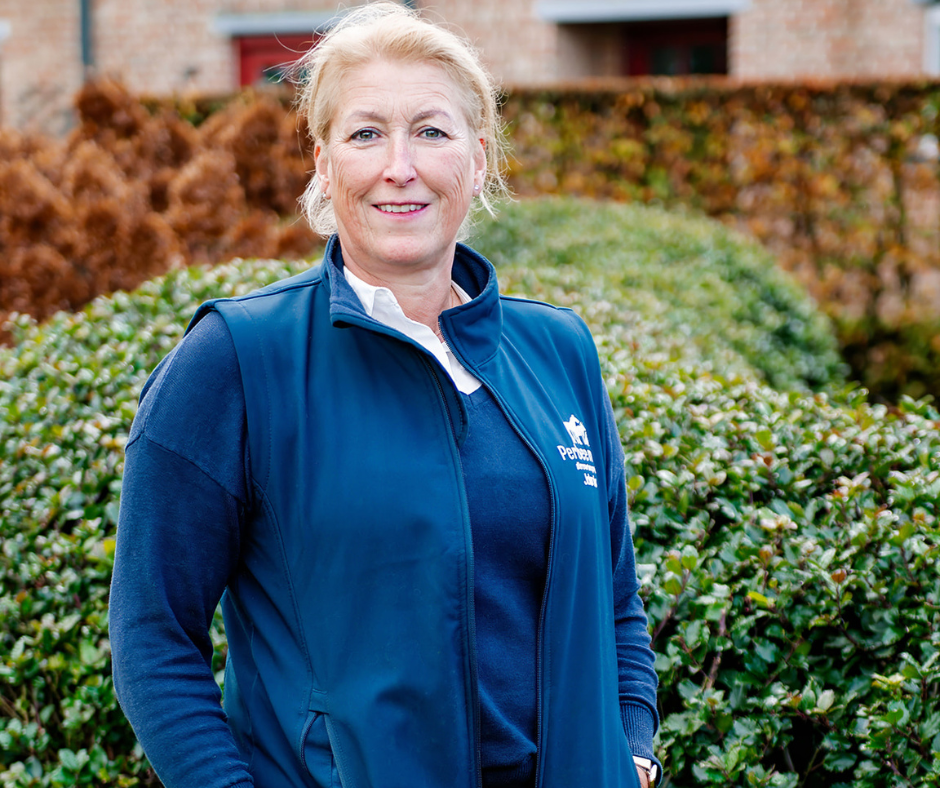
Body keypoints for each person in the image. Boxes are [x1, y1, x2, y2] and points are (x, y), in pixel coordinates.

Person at [109, 4, 660, 788]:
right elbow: (152, 636)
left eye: (431, 131)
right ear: (325, 162)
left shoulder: (558, 351)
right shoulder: (237, 360)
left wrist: (632, 751)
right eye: (366, 133)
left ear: (478, 158)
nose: (400, 166)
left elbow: (615, 601)